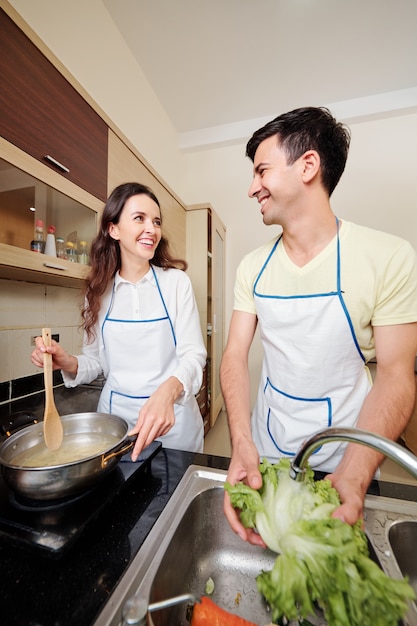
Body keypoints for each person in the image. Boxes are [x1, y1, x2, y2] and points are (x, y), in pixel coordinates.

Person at [220, 106, 417, 544]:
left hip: (349, 459)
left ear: (308, 165)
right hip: (268, 449)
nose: (253, 187)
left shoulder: (388, 257)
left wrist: (355, 473)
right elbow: (234, 355)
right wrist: (241, 442)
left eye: (262, 171)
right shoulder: (253, 267)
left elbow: (397, 377)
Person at [31, 182, 206, 460]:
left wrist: (167, 392)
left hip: (173, 426)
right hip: (116, 428)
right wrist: (68, 362)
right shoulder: (98, 292)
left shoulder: (176, 283)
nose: (152, 228)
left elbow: (194, 355)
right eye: (140, 218)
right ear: (113, 229)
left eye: (156, 221)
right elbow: (98, 363)